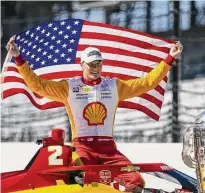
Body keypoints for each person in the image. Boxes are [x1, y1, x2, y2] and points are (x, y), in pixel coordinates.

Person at [6, 36, 182, 193]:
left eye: (99, 63)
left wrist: (169, 58)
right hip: (82, 148)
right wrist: (18, 58)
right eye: (91, 64)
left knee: (135, 182)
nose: (96, 68)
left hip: (109, 150)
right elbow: (38, 86)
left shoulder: (114, 86)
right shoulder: (69, 87)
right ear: (82, 65)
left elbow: (147, 83)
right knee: (79, 181)